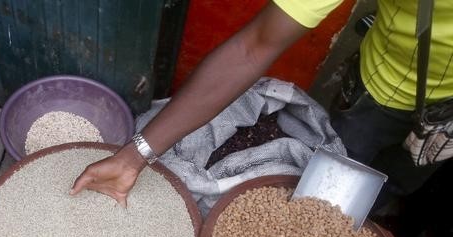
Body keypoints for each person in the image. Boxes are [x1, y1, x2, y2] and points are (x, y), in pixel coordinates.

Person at [70, 0, 453, 206]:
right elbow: (253, 48)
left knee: (403, 181)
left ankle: (390, 221)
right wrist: (133, 156)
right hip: (381, 90)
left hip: (448, 121)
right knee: (340, 177)